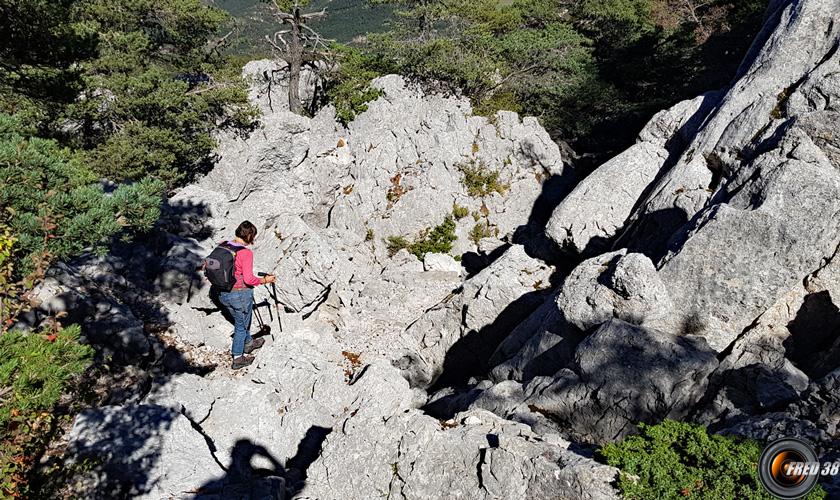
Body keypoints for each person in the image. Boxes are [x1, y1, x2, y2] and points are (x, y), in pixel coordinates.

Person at [218, 221, 276, 369]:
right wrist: (265, 280)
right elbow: (249, 279)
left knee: (241, 321)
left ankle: (249, 343)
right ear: (249, 235)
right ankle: (238, 358)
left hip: (222, 293)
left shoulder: (223, 244)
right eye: (253, 236)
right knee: (241, 326)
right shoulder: (245, 253)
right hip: (239, 294)